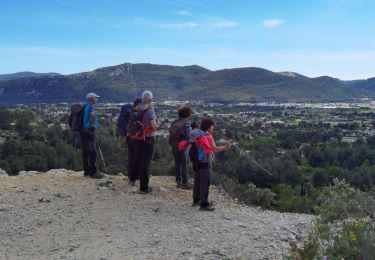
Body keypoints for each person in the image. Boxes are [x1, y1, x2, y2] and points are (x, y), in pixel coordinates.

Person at [193, 116, 232, 211]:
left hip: (197, 161)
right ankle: (204, 204)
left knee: (197, 181)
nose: (213, 128)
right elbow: (214, 149)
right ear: (209, 127)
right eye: (212, 126)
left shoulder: (198, 134)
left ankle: (196, 200)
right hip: (206, 162)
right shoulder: (209, 136)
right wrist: (226, 147)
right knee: (205, 183)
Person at [127, 91, 158, 193]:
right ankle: (144, 187)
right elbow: (153, 126)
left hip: (136, 138)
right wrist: (157, 127)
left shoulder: (137, 108)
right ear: (150, 99)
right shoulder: (150, 110)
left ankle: (132, 179)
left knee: (137, 158)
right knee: (146, 162)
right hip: (147, 138)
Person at [80, 92, 104, 179]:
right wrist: (92, 124)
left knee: (85, 152)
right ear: (91, 99)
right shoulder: (91, 106)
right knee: (93, 151)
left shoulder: (84, 106)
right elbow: (92, 114)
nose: (97, 99)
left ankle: (86, 171)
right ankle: (93, 172)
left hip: (82, 131)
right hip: (89, 130)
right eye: (95, 97)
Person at [169, 105, 193, 189]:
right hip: (183, 146)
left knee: (177, 163)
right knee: (184, 164)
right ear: (188, 114)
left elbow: (170, 132)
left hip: (174, 145)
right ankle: (185, 182)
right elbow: (189, 136)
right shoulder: (187, 123)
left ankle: (178, 181)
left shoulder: (175, 121)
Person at [126, 98, 142, 186]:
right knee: (137, 158)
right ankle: (136, 176)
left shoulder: (130, 112)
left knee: (131, 157)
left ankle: (130, 175)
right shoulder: (139, 113)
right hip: (137, 139)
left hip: (129, 138)